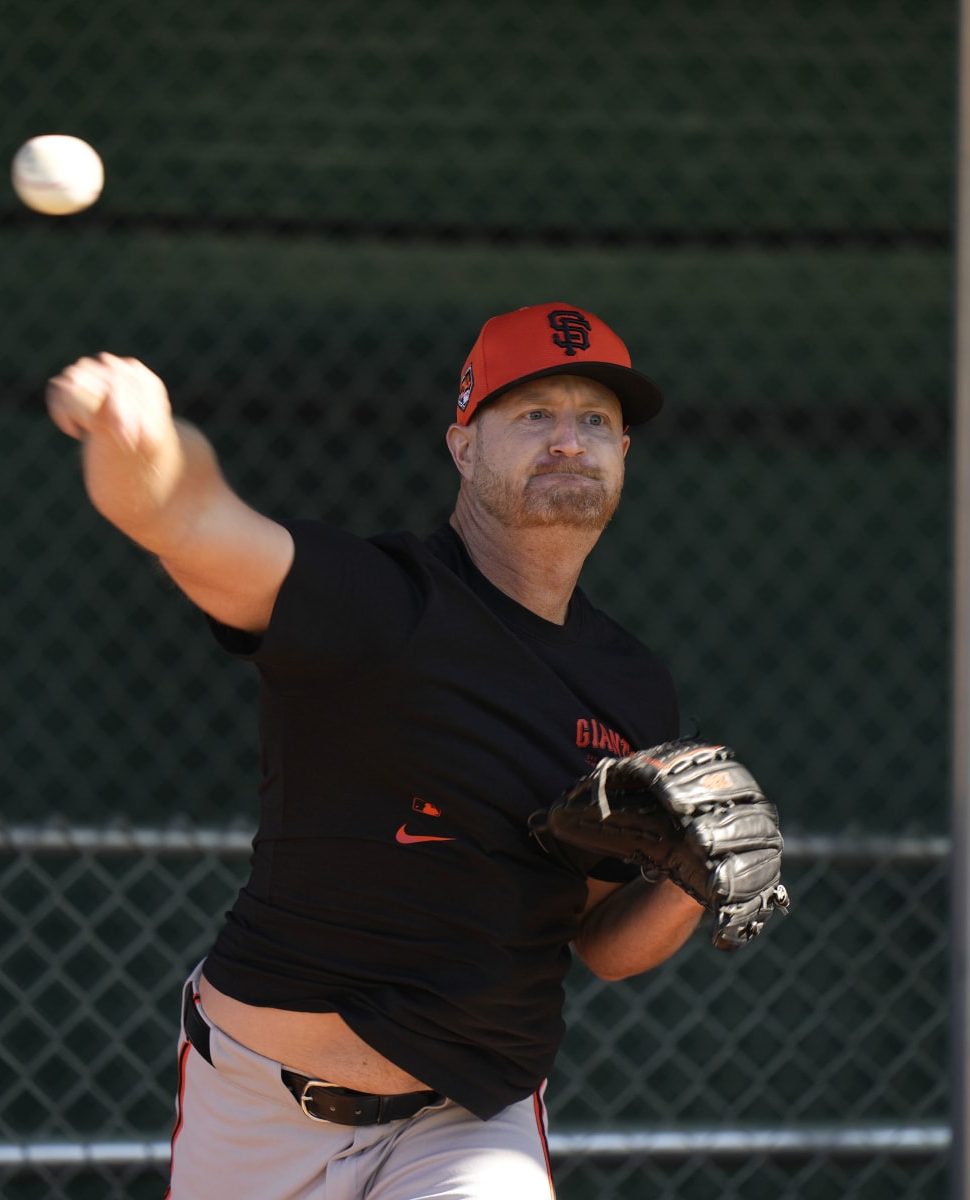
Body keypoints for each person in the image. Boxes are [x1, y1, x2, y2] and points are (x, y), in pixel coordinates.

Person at [47, 303, 706, 1200]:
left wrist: (689, 875)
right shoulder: (380, 604)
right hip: (260, 1116)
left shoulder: (632, 687)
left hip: (470, 1119)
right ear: (463, 446)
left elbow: (597, 941)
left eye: (595, 419)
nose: (568, 440)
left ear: (624, 453)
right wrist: (145, 442)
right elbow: (191, 522)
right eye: (533, 414)